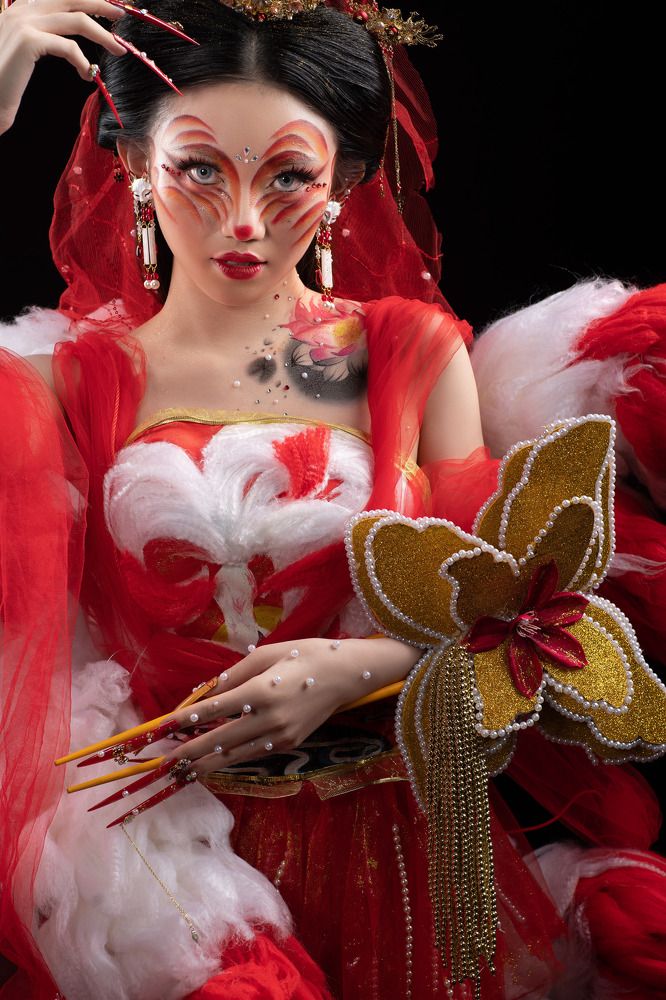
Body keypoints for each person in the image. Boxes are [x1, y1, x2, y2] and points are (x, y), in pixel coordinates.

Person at [0, 2, 664, 999]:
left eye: (287, 176)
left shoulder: (407, 352)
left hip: (397, 848)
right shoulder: (63, 383)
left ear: (346, 179)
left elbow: (519, 611)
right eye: (199, 169)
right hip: (173, 872)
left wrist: (354, 668)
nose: (243, 221)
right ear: (135, 162)